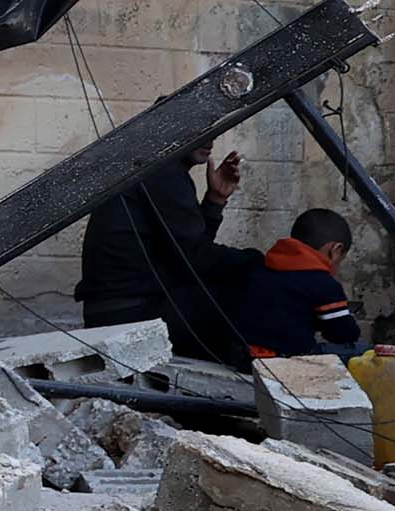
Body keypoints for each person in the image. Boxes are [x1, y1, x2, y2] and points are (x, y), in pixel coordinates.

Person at [77, 145, 262, 362]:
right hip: (131, 315)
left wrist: (215, 200)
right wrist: (259, 262)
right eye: (198, 130)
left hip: (116, 312)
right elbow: (195, 258)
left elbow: (187, 252)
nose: (209, 140)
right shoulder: (165, 172)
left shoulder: (155, 167)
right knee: (257, 289)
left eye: (212, 132)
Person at [233, 209, 366, 359]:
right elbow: (343, 334)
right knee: (363, 351)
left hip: (243, 355)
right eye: (340, 260)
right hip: (285, 359)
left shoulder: (263, 267)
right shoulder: (323, 283)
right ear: (336, 250)